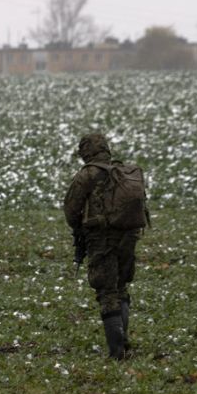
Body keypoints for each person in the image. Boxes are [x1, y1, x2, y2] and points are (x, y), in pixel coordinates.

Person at [63, 133, 148, 360]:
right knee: (121, 287)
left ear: (85, 153)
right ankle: (124, 344)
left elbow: (71, 210)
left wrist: (82, 228)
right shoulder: (125, 172)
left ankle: (117, 351)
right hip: (129, 236)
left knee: (106, 290)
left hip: (102, 239)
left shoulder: (87, 175)